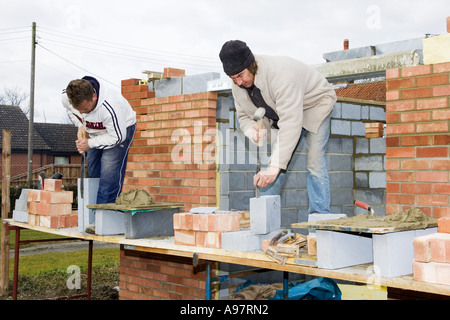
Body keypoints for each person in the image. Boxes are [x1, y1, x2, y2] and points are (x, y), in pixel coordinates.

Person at [219, 40, 337, 214]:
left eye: (240, 76)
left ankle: (319, 221)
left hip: (315, 104)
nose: (237, 82)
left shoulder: (281, 76)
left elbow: (290, 123)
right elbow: (243, 116)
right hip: (286, 114)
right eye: (233, 78)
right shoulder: (239, 84)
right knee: (273, 163)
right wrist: (251, 128)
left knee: (314, 160)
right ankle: (265, 219)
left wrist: (276, 167)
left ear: (251, 65)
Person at [62, 76, 136, 207]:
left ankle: (103, 221)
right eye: (78, 109)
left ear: (94, 97)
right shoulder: (68, 100)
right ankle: (93, 214)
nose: (82, 112)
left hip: (118, 131)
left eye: (84, 109)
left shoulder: (110, 106)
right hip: (95, 130)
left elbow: (117, 137)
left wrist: (89, 143)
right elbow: (71, 111)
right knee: (94, 172)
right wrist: (80, 125)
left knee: (108, 176)